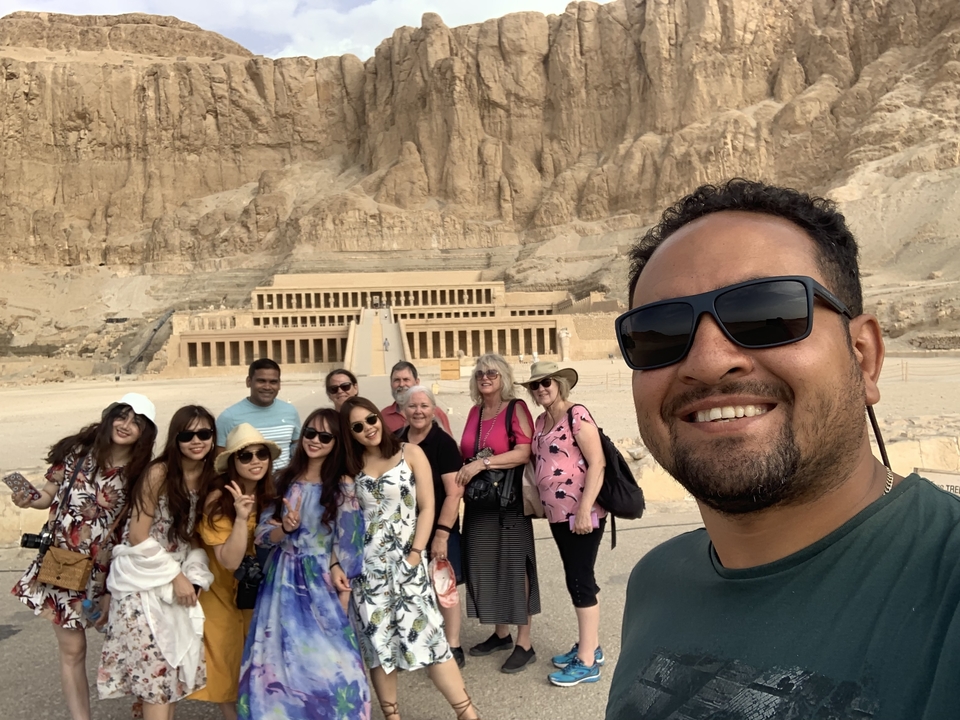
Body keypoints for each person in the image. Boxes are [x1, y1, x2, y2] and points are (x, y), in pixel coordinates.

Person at [605, 179, 960, 719]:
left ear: (863, 356)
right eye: (657, 333)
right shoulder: (656, 580)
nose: (706, 360)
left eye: (766, 315)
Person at [10, 392, 157, 720]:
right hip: (62, 565)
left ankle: (147, 707)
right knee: (73, 650)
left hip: (112, 573)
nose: (126, 425)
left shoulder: (142, 472)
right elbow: (47, 495)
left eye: (136, 422)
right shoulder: (77, 455)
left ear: (145, 432)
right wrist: (27, 499)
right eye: (122, 416)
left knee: (129, 647)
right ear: (109, 417)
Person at [333, 397, 480, 720]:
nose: (368, 428)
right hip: (368, 572)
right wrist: (335, 562)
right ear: (349, 433)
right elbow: (344, 525)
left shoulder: (409, 453)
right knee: (378, 647)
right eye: (357, 426)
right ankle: (392, 715)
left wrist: (416, 553)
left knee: (431, 640)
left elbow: (427, 505)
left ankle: (467, 713)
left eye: (371, 419)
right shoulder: (349, 468)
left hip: (407, 563)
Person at [237, 409, 371, 719]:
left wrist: (343, 585)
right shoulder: (282, 479)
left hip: (321, 580)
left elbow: (350, 542)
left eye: (325, 437)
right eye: (310, 432)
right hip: (282, 580)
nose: (315, 440)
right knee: (276, 663)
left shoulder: (342, 485)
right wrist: (284, 527)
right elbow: (261, 537)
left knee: (335, 663)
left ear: (336, 443)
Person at [98, 405, 219, 717]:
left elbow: (193, 536)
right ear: (175, 439)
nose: (196, 441)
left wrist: (193, 571)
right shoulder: (159, 473)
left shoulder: (209, 477)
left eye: (204, 434)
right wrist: (176, 577)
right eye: (187, 434)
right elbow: (138, 535)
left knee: (169, 675)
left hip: (175, 578)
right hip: (143, 579)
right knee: (157, 675)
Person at [525, 361, 607, 687]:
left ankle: (587, 662)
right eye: (535, 385)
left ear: (559, 383)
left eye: (546, 382)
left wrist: (586, 508)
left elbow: (597, 462)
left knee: (580, 579)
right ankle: (590, 646)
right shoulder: (541, 420)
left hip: (581, 514)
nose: (541, 389)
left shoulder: (578, 414)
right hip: (557, 515)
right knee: (575, 576)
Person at [456, 353, 540, 674]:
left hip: (508, 502)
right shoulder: (475, 412)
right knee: (484, 564)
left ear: (503, 376)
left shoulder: (515, 408)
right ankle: (501, 633)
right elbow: (465, 451)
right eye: (480, 374)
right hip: (479, 502)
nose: (485, 378)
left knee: (515, 565)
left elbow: (524, 450)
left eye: (491, 373)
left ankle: (525, 642)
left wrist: (484, 463)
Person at [190, 423, 279, 720]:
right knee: (229, 668)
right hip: (222, 596)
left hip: (257, 593)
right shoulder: (218, 499)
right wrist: (241, 518)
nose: (255, 461)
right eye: (245, 456)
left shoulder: (272, 495)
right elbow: (229, 560)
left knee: (260, 666)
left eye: (261, 454)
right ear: (232, 463)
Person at [397, 385, 466, 668]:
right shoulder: (396, 441)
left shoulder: (443, 443)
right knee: (414, 587)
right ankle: (421, 640)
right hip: (406, 529)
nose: (418, 411)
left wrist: (442, 533)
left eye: (424, 406)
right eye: (412, 406)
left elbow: (454, 492)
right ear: (403, 411)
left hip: (439, 526)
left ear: (433, 410)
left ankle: (453, 645)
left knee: (443, 587)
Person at [216, 359, 300, 471]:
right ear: (249, 382)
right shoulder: (229, 417)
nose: (267, 387)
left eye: (273, 382)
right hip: (250, 485)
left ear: (279, 385)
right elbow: (220, 459)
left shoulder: (290, 411)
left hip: (284, 483)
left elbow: (296, 449)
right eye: (261, 381)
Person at [381, 361, 452, 435]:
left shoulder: (435, 412)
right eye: (397, 380)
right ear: (391, 383)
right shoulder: (384, 416)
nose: (401, 384)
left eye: (406, 380)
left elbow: (449, 443)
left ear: (417, 382)